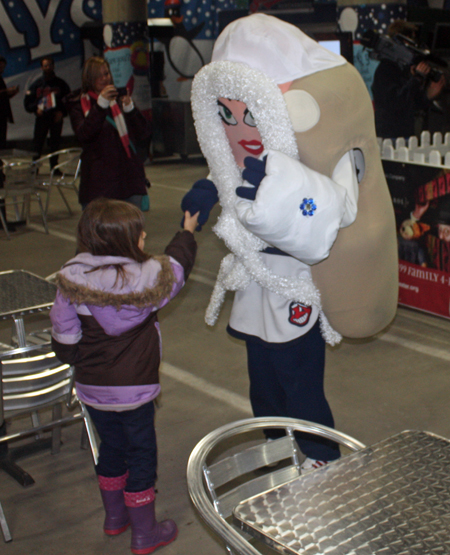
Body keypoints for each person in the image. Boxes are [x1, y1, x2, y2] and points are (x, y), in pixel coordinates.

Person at [183, 14, 398, 472]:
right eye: (226, 115)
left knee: (299, 386)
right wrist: (211, 188)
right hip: (254, 286)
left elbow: (341, 208)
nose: (239, 129)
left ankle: (322, 465)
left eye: (249, 115)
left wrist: (282, 188)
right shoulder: (242, 158)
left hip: (296, 285)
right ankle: (280, 458)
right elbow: (228, 175)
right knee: (263, 387)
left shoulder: (321, 149)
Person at [49, 198, 198, 555]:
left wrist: (76, 359)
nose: (145, 235)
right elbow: (178, 267)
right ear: (125, 241)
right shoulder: (150, 279)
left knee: (111, 448)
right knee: (142, 454)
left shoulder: (72, 279)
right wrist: (187, 232)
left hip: (93, 386)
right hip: (137, 388)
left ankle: (115, 518)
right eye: (138, 233)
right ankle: (146, 533)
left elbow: (63, 330)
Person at [65, 57, 152, 210]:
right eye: (99, 76)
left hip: (128, 183)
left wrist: (131, 110)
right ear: (89, 79)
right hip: (99, 187)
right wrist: (100, 105)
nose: (104, 79)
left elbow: (143, 134)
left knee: (130, 232)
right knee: (102, 232)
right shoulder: (79, 105)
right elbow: (84, 135)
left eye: (106, 74)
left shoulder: (117, 100)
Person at [371, 20, 446, 139]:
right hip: (390, 137)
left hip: (405, 134)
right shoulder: (385, 70)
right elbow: (395, 103)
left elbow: (411, 103)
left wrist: (428, 95)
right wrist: (416, 79)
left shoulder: (404, 69)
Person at [24, 57, 71, 167]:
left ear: (53, 66)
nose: (48, 67)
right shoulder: (37, 85)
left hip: (56, 118)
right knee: (37, 144)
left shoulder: (61, 84)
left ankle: (54, 167)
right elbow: (27, 103)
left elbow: (69, 100)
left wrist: (62, 113)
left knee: (55, 144)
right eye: (45, 65)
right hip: (42, 118)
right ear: (41, 68)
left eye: (50, 65)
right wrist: (35, 109)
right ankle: (34, 168)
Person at [0, 56, 19, 149]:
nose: (2, 69)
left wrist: (11, 93)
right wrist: (6, 91)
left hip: (2, 114)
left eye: (3, 67)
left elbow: (3, 96)